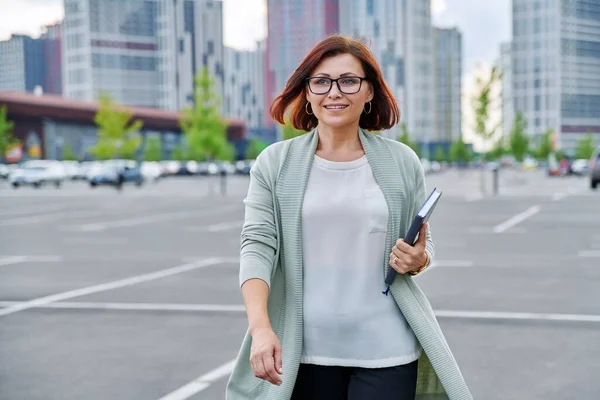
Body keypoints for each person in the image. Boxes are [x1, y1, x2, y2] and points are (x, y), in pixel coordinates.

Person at [226, 34, 472, 400]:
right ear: (307, 93)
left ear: (369, 91)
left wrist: (420, 259)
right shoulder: (275, 164)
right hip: (305, 351)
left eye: (349, 81)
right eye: (321, 81)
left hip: (387, 349)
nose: (334, 92)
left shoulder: (401, 161)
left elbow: (422, 243)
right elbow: (257, 248)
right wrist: (261, 328)